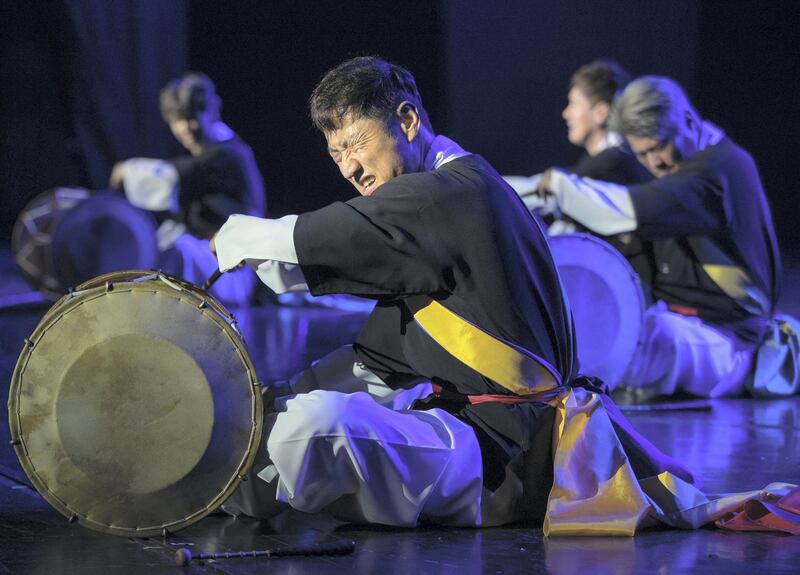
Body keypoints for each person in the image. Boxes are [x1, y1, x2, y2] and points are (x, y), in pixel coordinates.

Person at [206, 57, 762, 536]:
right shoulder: (438, 213)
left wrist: (238, 236)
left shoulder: (457, 193)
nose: (349, 167)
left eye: (355, 144)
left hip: (512, 462)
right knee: (284, 418)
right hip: (481, 440)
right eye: (335, 156)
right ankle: (204, 484)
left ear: (407, 119)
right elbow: (376, 361)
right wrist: (266, 402)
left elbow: (322, 237)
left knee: (314, 429)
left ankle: (219, 479)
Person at [533, 76, 782, 399]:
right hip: (686, 325)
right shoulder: (683, 171)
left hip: (729, 341)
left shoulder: (720, 171)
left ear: (689, 121)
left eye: (659, 146)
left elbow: (633, 211)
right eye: (643, 154)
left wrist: (563, 187)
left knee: (646, 340)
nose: (655, 162)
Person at [110, 72, 266, 305]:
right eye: (177, 120)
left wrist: (127, 170)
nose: (185, 128)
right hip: (209, 260)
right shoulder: (208, 152)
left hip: (231, 268)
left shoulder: (228, 153)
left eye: (191, 117)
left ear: (211, 112)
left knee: (176, 252)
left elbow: (176, 175)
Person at [505, 60, 653, 279]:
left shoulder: (614, 162)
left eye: (573, 104)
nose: (566, 113)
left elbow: (538, 192)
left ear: (601, 112)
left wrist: (484, 188)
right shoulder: (602, 161)